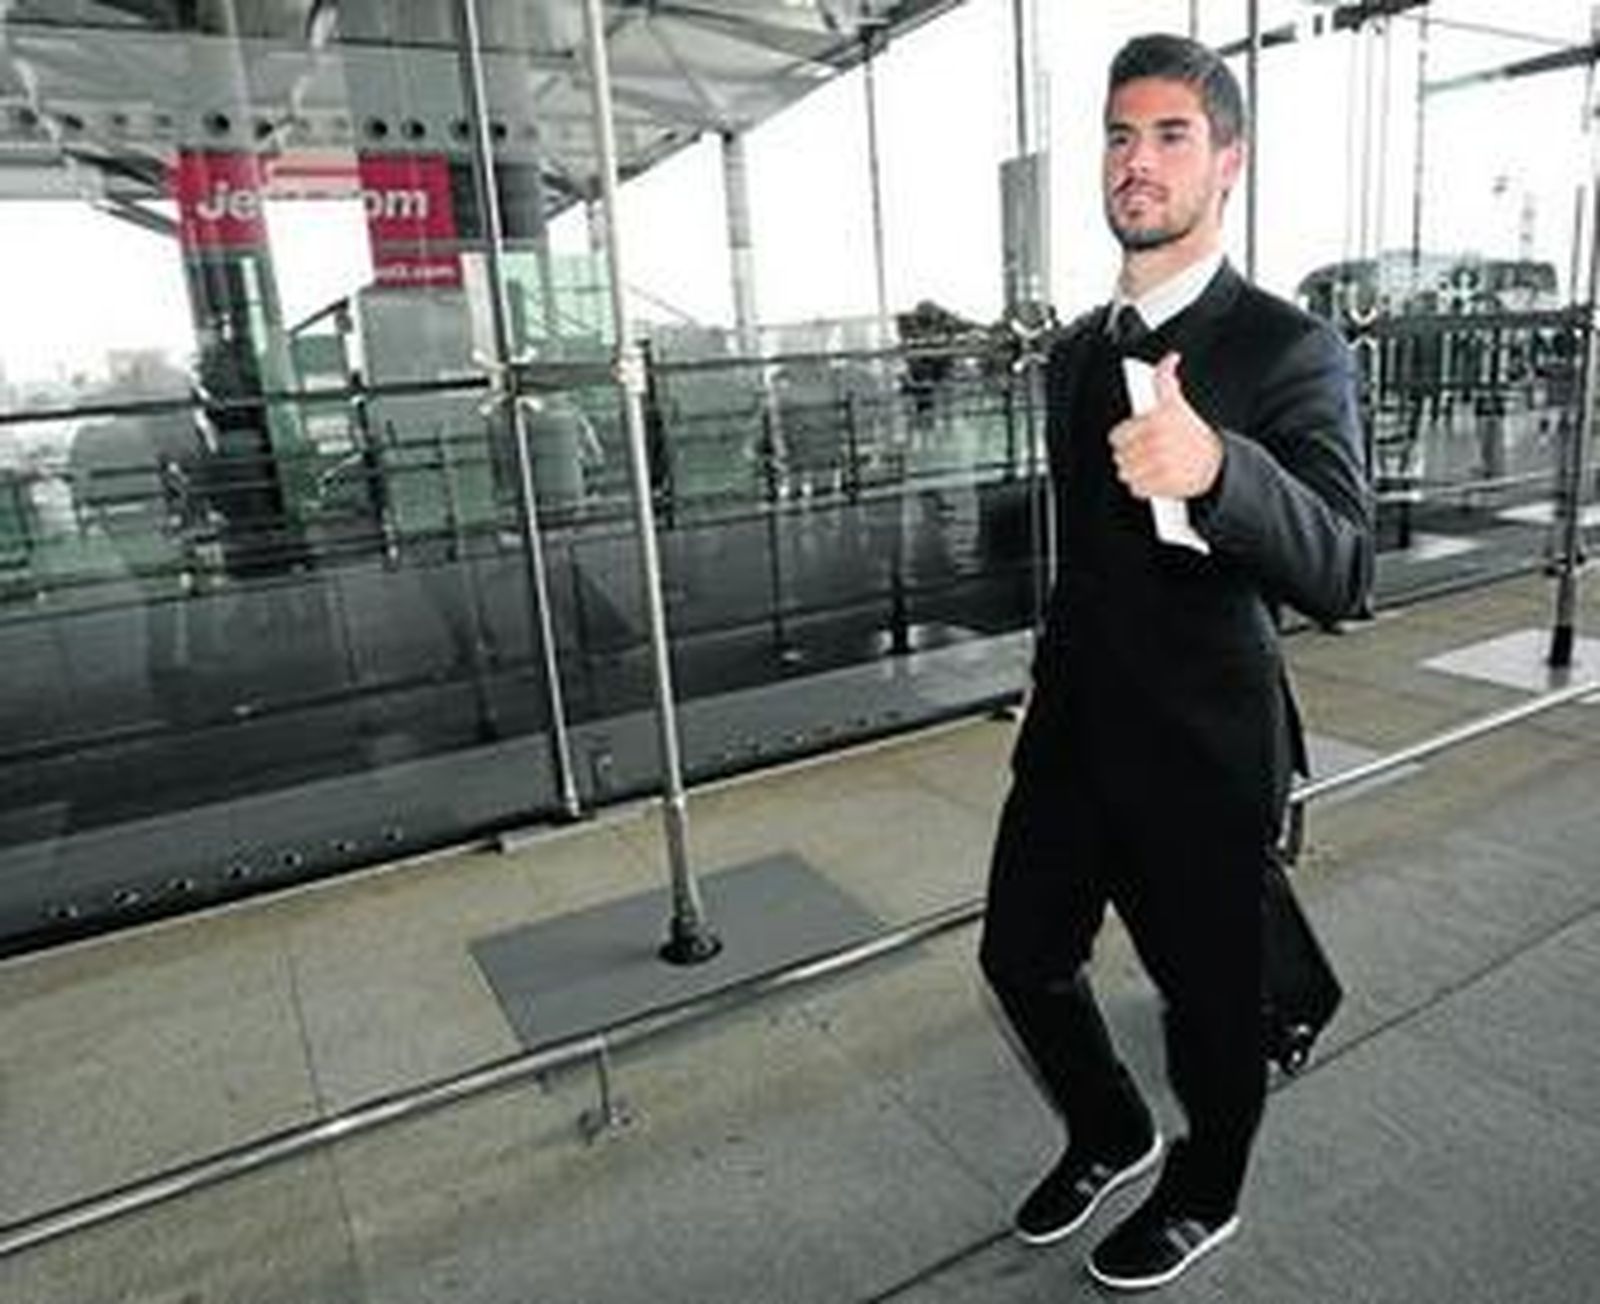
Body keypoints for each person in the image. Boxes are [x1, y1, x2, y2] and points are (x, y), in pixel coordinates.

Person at [978, 32, 1372, 1293]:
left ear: (1227, 163)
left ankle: (1208, 1188)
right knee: (1018, 955)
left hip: (1205, 742)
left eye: (1169, 136)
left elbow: (1345, 567)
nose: (1135, 162)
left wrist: (1220, 472)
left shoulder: (1286, 347)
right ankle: (1111, 1128)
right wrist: (1050, 672)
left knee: (1210, 1004)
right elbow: (1085, 551)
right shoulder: (1075, 354)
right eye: (1117, 134)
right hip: (1078, 721)